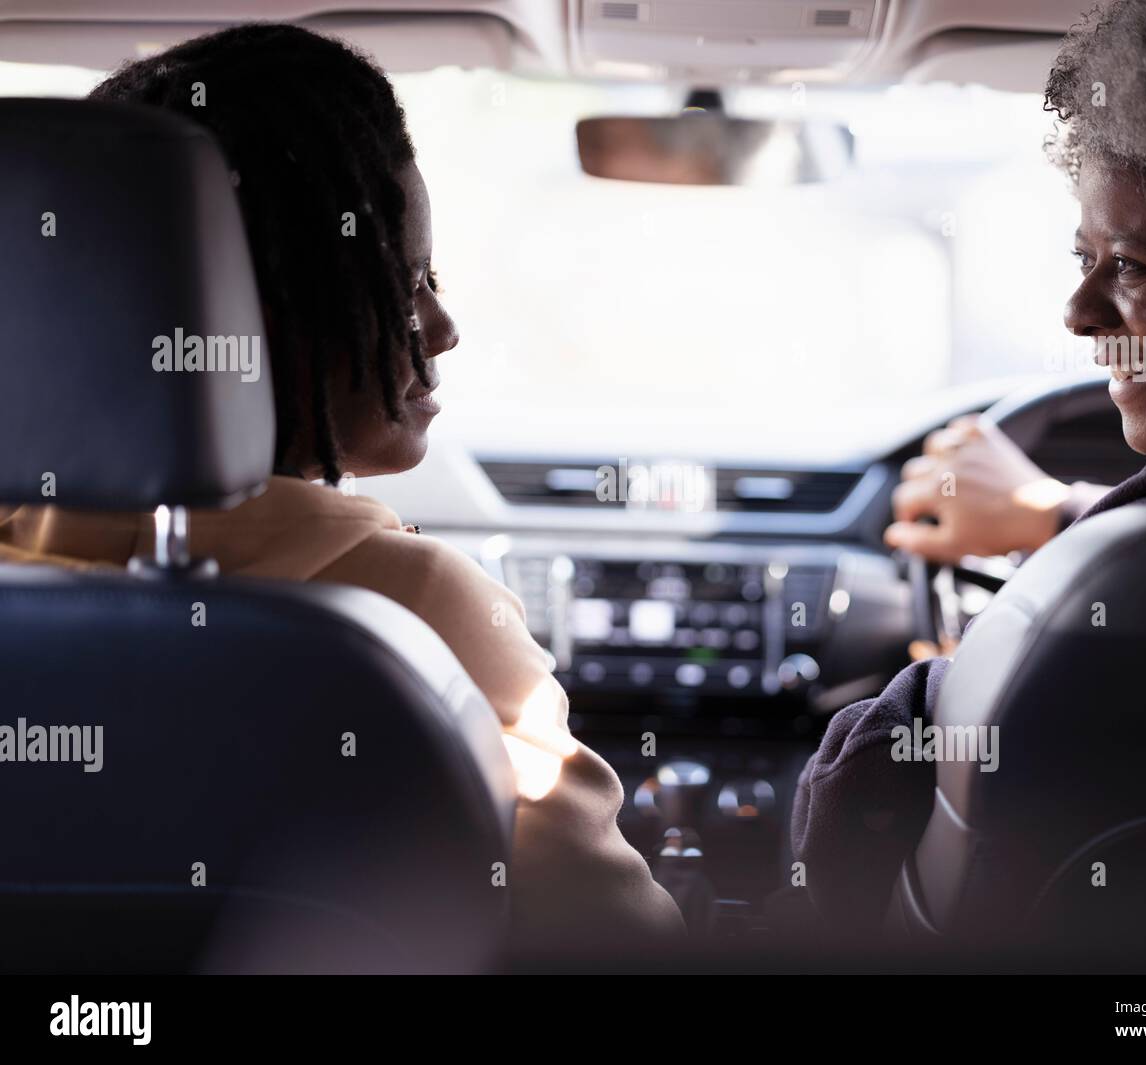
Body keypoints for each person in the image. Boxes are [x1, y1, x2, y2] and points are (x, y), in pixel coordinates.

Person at [0, 24, 682, 950]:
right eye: (399, 282)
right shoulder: (412, 611)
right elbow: (614, 946)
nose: (441, 328)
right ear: (257, 312)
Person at [792, 0, 1146, 937]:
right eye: (1083, 255)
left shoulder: (1100, 608)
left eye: (1132, 266)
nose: (1077, 311)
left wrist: (978, 653)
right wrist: (1059, 519)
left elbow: (841, 834)